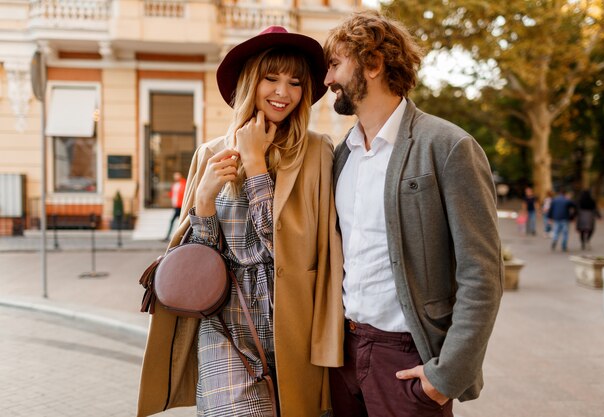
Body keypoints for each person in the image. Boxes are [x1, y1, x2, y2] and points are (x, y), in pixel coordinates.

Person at [137, 26, 344, 417]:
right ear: (252, 81)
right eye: (272, 78)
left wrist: (255, 165)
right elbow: (202, 259)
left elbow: (287, 247)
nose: (283, 92)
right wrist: (203, 201)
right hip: (227, 322)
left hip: (294, 320)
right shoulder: (210, 153)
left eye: (295, 82)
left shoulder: (316, 152)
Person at [323, 10, 503, 417]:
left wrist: (445, 377)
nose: (327, 80)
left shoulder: (448, 146)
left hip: (406, 359)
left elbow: (483, 272)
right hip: (343, 356)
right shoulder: (341, 155)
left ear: (372, 63)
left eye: (335, 64)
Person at [163, 171, 186, 241]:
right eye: (175, 176)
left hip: (181, 206)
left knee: (174, 221)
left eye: (177, 175)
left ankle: (169, 236)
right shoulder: (175, 184)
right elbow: (173, 194)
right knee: (181, 223)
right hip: (176, 206)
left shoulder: (184, 183)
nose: (176, 177)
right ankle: (181, 237)